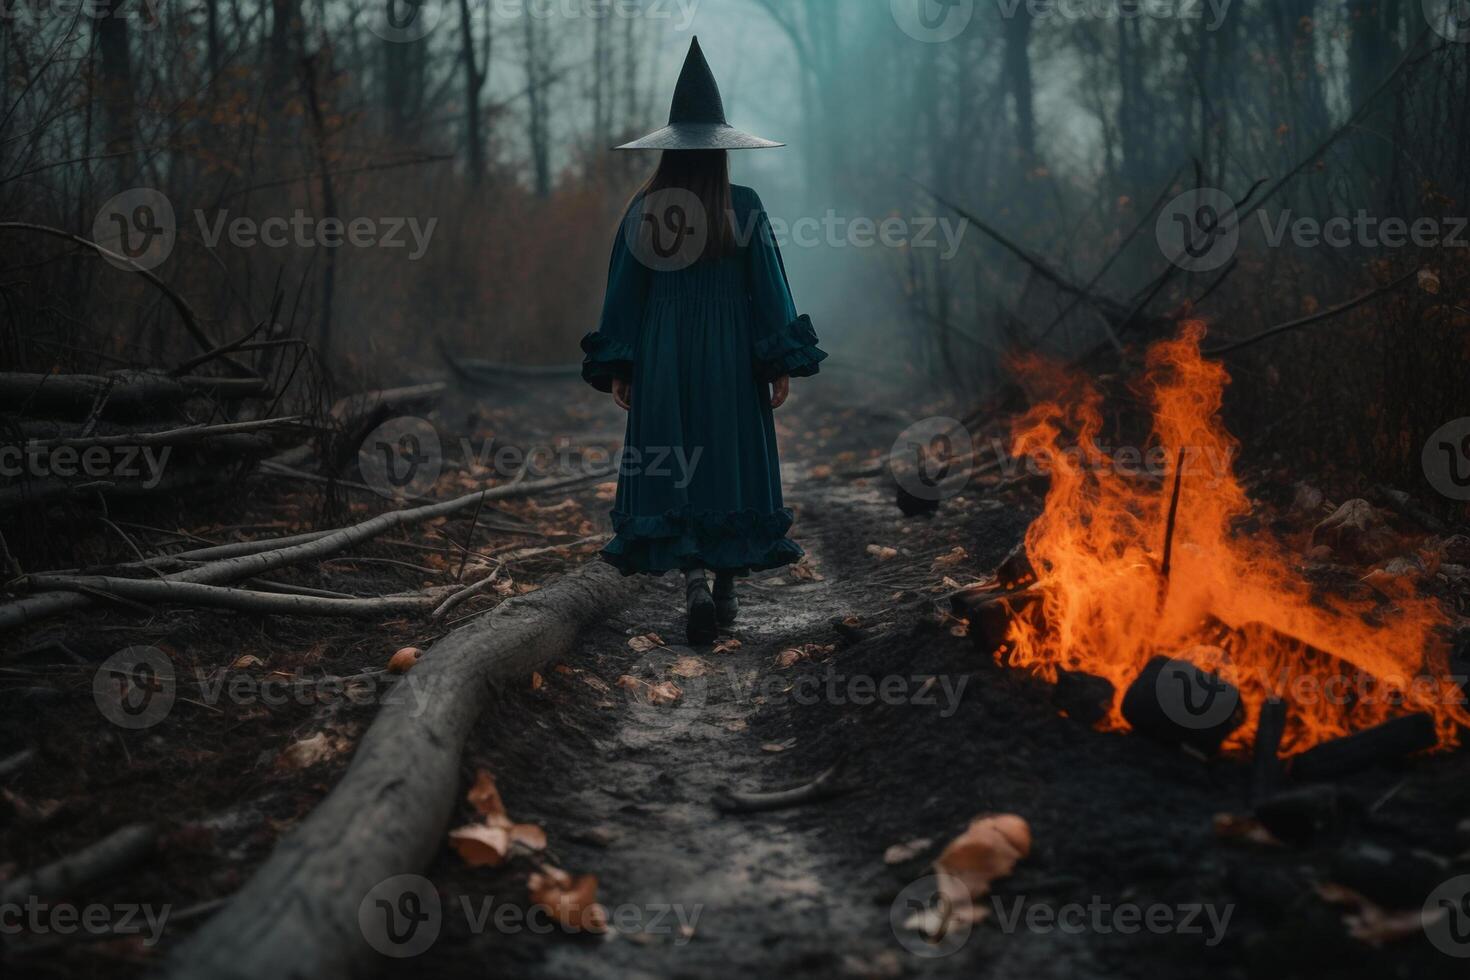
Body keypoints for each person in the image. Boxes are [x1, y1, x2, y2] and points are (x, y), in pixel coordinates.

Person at [579, 37, 825, 645]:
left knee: (675, 458)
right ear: (721, 152)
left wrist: (623, 364)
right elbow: (770, 288)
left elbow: (623, 295)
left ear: (669, 150)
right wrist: (777, 359)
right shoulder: (743, 207)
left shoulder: (643, 211)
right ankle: (727, 588)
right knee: (727, 458)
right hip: (731, 357)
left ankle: (692, 581)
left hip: (664, 356)